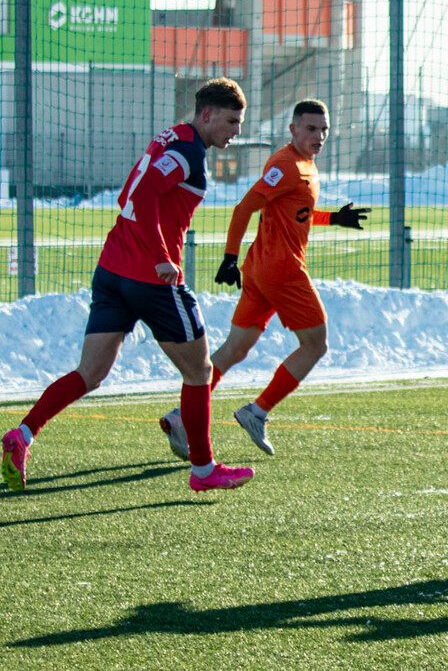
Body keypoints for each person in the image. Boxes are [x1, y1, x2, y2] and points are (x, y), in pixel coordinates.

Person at [1, 78, 254, 493]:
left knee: (91, 372)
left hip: (112, 269)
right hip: (150, 278)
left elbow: (127, 196)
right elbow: (150, 192)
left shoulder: (170, 137)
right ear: (207, 114)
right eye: (231, 121)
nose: (236, 132)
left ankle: (22, 435)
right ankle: (204, 470)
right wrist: (160, 254)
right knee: (200, 370)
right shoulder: (188, 149)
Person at [158, 99, 369, 458]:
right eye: (311, 129)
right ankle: (257, 411)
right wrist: (228, 256)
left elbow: (295, 213)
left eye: (324, 130)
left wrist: (333, 219)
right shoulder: (286, 164)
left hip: (260, 270)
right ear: (293, 130)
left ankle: (182, 416)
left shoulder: (305, 165)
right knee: (316, 345)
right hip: (281, 271)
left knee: (235, 349)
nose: (319, 136)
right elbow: (245, 207)